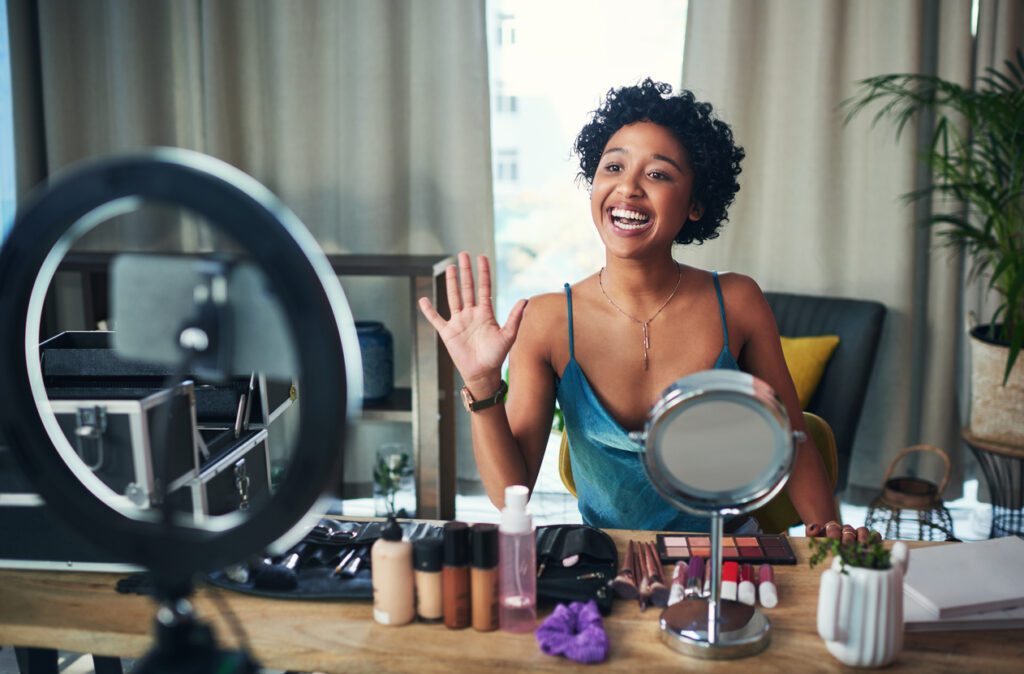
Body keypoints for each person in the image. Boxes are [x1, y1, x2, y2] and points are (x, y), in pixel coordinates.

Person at [420, 79, 869, 543]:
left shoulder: (737, 301)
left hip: (727, 556)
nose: (628, 187)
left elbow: (793, 442)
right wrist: (482, 384)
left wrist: (830, 543)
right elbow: (508, 493)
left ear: (695, 204)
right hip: (606, 561)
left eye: (657, 174)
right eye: (613, 166)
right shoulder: (548, 320)